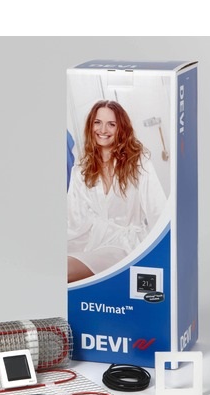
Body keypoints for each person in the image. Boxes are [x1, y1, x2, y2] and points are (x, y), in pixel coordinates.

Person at [67, 100, 167, 283]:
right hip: (91, 239)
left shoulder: (139, 162)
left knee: (65, 271)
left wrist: (162, 257)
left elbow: (157, 210)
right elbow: (74, 218)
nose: (102, 129)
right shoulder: (81, 168)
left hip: (124, 244)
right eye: (97, 122)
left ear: (121, 128)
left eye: (111, 124)